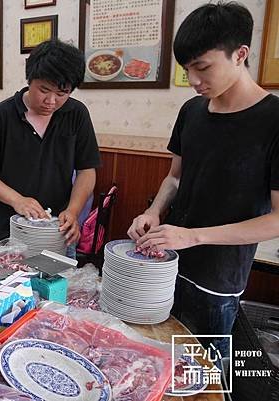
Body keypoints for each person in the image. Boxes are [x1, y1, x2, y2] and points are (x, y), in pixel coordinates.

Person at [127, 2, 279, 357]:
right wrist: (153, 211)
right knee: (159, 359)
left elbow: (277, 219)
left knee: (205, 376)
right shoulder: (191, 111)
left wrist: (195, 237)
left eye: (202, 67)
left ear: (240, 54)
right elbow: (175, 178)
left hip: (218, 281)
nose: (193, 80)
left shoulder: (273, 121)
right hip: (167, 260)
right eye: (187, 69)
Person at [0, 39, 100, 242]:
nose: (51, 101)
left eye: (62, 93)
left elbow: (87, 170)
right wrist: (17, 200)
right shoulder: (2, 116)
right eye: (44, 90)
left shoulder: (77, 113)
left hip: (58, 229)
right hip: (10, 231)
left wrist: (73, 211)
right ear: (30, 79)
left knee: (62, 274)